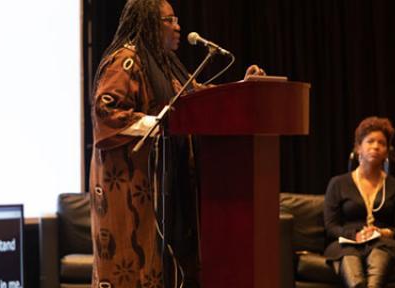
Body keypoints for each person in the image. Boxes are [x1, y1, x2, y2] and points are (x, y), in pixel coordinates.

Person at [89, 0, 265, 287]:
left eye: (176, 19)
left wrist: (242, 88)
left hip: (163, 180)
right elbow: (105, 110)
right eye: (169, 20)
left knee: (164, 262)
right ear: (148, 24)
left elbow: (195, 99)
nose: (178, 26)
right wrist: (159, 124)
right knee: (132, 258)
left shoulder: (162, 62)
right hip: (131, 183)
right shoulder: (126, 60)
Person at [323, 117, 395, 288]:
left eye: (381, 143)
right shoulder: (338, 183)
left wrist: (382, 232)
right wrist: (354, 235)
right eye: (370, 141)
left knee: (375, 281)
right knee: (355, 279)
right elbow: (331, 227)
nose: (376, 146)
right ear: (358, 148)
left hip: (383, 244)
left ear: (387, 152)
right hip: (347, 244)